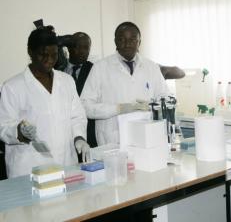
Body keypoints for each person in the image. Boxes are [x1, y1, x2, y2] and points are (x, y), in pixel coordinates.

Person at [0, 26, 90, 178]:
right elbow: (3, 127)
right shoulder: (13, 87)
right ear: (30, 52)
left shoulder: (66, 81)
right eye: (43, 54)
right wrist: (19, 132)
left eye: (54, 55)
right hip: (29, 168)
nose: (49, 60)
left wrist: (79, 138)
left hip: (66, 163)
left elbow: (77, 116)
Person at [81, 22, 170, 147]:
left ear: (139, 42)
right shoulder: (100, 67)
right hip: (112, 141)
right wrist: (119, 108)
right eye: (122, 39)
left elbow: (166, 98)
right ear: (115, 42)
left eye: (132, 39)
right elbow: (85, 106)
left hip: (145, 138)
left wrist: (153, 106)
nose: (127, 44)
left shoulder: (151, 67)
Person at [64, 32, 97, 149]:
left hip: (89, 131)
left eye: (86, 47)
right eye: (78, 47)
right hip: (64, 130)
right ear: (69, 48)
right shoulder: (57, 70)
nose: (82, 51)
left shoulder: (95, 70)